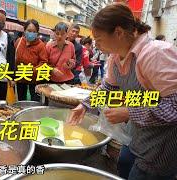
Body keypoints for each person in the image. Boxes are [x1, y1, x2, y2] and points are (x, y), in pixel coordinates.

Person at [68, 3, 177, 180]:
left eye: (99, 39)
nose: (96, 44)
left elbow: (173, 106)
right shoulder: (115, 58)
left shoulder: (155, 53)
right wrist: (84, 105)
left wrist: (128, 112)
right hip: (136, 136)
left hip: (160, 146)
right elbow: (107, 88)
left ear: (118, 32)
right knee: (124, 164)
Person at [15, 19, 48, 101]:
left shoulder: (41, 45)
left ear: (37, 33)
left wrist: (31, 70)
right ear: (24, 30)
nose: (31, 33)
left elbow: (44, 63)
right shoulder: (19, 41)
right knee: (21, 101)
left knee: (34, 101)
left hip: (34, 80)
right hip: (20, 78)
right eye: (29, 31)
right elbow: (14, 57)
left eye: (34, 31)